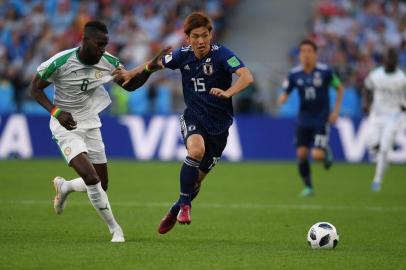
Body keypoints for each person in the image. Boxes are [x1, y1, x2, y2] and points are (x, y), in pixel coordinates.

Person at [113, 12, 254, 234]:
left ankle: (175, 208)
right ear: (187, 37)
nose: (200, 41)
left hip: (220, 125)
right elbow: (155, 64)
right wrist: (131, 72)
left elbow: (247, 77)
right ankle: (186, 206)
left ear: (211, 35)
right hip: (193, 117)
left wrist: (228, 92)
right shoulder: (181, 55)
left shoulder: (223, 55)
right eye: (195, 36)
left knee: (195, 183)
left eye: (205, 36)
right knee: (195, 151)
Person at [30, 21, 147, 242]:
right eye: (99, 44)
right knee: (91, 178)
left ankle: (65, 186)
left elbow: (129, 85)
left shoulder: (108, 62)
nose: (103, 49)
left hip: (91, 123)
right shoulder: (60, 62)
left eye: (106, 44)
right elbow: (34, 88)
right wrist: (56, 112)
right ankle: (115, 229)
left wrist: (150, 68)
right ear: (84, 41)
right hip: (65, 125)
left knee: (102, 184)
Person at [278, 39, 343, 197]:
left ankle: (325, 151)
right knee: (301, 154)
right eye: (303, 51)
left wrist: (335, 112)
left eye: (309, 51)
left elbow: (339, 88)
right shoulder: (294, 74)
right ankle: (308, 187)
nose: (305, 55)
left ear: (315, 54)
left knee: (317, 156)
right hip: (303, 118)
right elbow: (286, 91)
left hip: (321, 117)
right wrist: (283, 98)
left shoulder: (325, 72)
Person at [363, 48, 406, 192]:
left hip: (394, 116)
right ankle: (383, 152)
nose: (390, 61)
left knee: (383, 149)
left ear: (396, 60)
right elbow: (367, 88)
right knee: (372, 145)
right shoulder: (376, 75)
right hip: (376, 115)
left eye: (393, 58)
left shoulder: (401, 78)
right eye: (388, 58)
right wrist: (366, 104)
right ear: (384, 59)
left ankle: (377, 180)